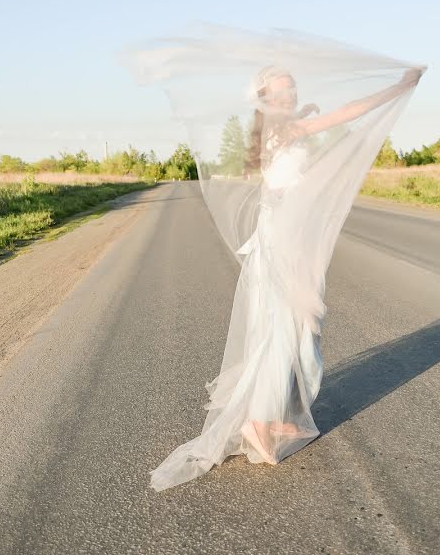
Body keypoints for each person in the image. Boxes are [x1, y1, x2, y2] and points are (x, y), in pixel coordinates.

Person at [148, 64, 424, 491]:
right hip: (285, 236)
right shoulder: (289, 130)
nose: (289, 97)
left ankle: (270, 414)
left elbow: (283, 166)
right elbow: (349, 111)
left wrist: (302, 113)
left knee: (288, 323)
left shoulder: (271, 130)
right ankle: (260, 420)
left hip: (280, 230)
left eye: (292, 90)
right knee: (290, 324)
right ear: (265, 99)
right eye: (280, 94)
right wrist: (397, 88)